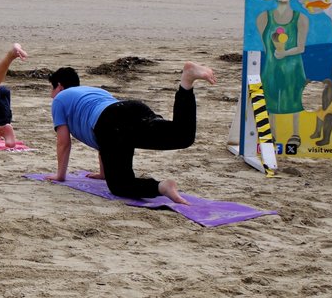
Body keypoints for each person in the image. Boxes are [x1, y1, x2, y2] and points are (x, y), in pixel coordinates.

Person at [44, 61, 217, 203]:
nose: (52, 95)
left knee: (120, 186)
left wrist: (60, 175)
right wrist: (104, 173)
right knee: (181, 136)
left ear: (59, 86)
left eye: (52, 90)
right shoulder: (93, 91)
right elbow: (103, 139)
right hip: (132, 109)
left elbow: (63, 142)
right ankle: (186, 83)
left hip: (114, 124)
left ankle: (162, 187)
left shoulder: (60, 99)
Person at [255, 0, 311, 153]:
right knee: (271, 97)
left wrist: (285, 53)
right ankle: (272, 134)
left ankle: (295, 134)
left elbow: (301, 47)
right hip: (272, 67)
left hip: (293, 67)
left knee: (294, 99)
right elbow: (265, 46)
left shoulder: (301, 19)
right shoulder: (264, 18)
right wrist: (275, 55)